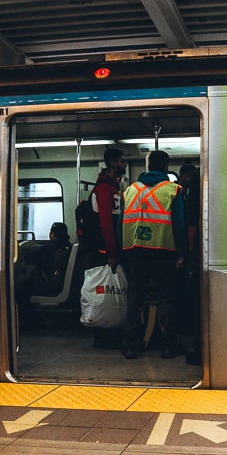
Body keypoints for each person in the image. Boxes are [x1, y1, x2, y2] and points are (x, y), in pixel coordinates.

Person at [121, 150, 187, 360]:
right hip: (163, 250)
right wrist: (182, 252)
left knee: (135, 297)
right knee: (165, 296)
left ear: (148, 167)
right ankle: (169, 345)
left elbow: (119, 224)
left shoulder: (130, 190)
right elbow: (179, 224)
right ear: (166, 168)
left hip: (135, 251)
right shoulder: (172, 190)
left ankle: (131, 345)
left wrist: (123, 251)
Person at [81, 148, 127, 348]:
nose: (124, 164)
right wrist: (112, 253)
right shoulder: (104, 190)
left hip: (107, 249)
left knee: (109, 293)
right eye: (122, 161)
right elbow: (106, 223)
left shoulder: (113, 187)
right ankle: (104, 335)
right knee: (105, 293)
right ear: (115, 163)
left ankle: (110, 334)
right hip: (104, 252)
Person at [15, 222, 72, 327]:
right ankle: (33, 319)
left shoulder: (49, 248)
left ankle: (28, 322)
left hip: (47, 286)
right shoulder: (68, 246)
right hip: (58, 282)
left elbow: (29, 257)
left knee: (20, 289)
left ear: (52, 234)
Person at [178, 164, 202, 366]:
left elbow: (192, 221)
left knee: (197, 299)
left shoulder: (194, 182)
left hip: (198, 252)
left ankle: (199, 347)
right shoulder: (204, 177)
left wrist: (189, 251)